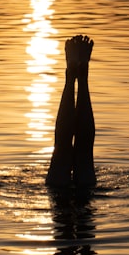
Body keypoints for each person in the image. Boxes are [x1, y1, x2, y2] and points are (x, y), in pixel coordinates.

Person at [46, 34, 97, 189]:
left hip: (58, 187)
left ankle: (72, 74)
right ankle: (82, 75)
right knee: (84, 152)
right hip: (86, 190)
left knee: (62, 150)